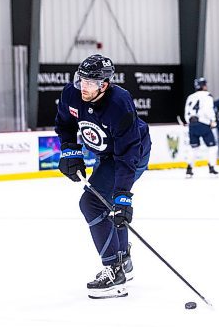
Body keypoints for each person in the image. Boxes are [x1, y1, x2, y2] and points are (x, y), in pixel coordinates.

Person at [55, 54, 151, 298]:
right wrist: (70, 151)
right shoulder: (72, 94)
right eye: (80, 80)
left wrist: (123, 197)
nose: (82, 86)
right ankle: (123, 261)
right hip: (105, 156)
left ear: (104, 85)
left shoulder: (119, 103)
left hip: (131, 155)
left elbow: (128, 154)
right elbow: (65, 123)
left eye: (89, 83)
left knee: (92, 203)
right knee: (103, 204)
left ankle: (114, 271)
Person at [184, 77, 219, 177]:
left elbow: (187, 112)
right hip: (203, 123)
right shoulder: (207, 96)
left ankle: (189, 169)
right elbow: (208, 110)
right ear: (203, 86)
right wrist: (213, 120)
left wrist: (189, 122)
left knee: (194, 147)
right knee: (212, 146)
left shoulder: (190, 97)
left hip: (192, 125)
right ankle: (211, 167)